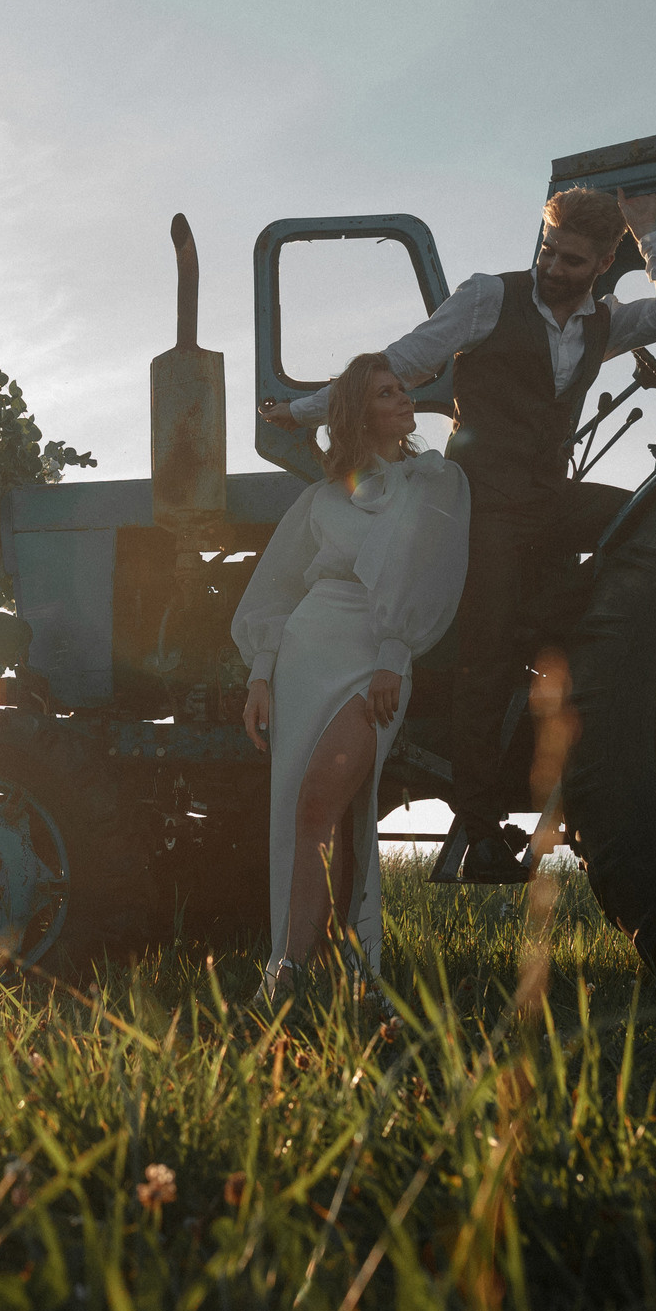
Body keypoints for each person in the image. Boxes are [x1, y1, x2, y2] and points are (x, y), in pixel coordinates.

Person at [260, 187, 656, 881]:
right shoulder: (488, 298)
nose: (554, 266)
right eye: (549, 250)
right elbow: (400, 361)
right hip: (482, 503)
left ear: (604, 262)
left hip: (547, 497)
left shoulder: (602, 324)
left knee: (650, 522)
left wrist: (649, 231)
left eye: (573, 259)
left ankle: (577, 643)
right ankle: (477, 828)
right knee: (486, 656)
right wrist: (302, 409)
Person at [232, 354, 469, 998]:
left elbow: (428, 576)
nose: (403, 399)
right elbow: (275, 591)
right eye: (387, 393)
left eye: (401, 389)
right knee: (313, 815)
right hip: (308, 651)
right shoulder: (319, 500)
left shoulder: (433, 482)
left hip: (377, 656)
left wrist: (395, 653)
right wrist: (259, 675)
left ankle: (294, 970)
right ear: (359, 412)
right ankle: (325, 972)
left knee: (325, 803)